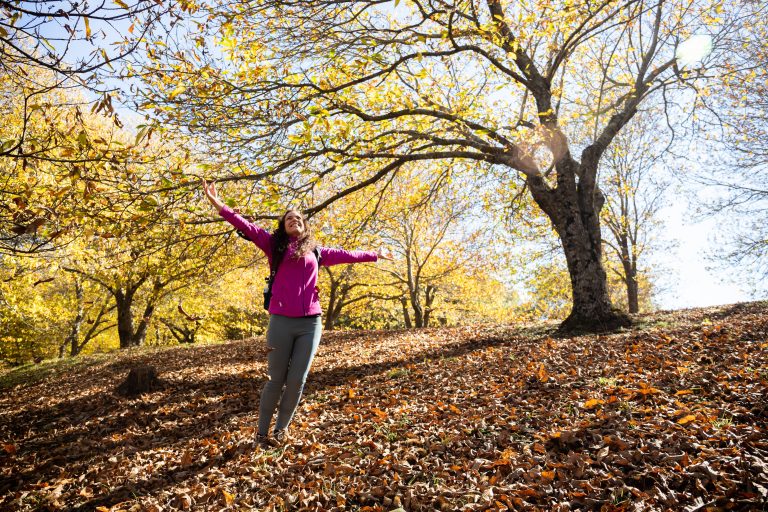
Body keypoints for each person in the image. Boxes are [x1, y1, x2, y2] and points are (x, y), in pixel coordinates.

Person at [201, 179, 392, 445]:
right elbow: (245, 225)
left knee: (297, 381)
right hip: (280, 322)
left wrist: (375, 254)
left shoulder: (317, 251)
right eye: (289, 218)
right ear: (283, 225)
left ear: (304, 226)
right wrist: (218, 204)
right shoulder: (273, 245)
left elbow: (347, 253)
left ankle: (281, 431)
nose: (294, 220)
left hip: (310, 324)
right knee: (275, 380)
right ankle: (261, 433)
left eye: (298, 218)